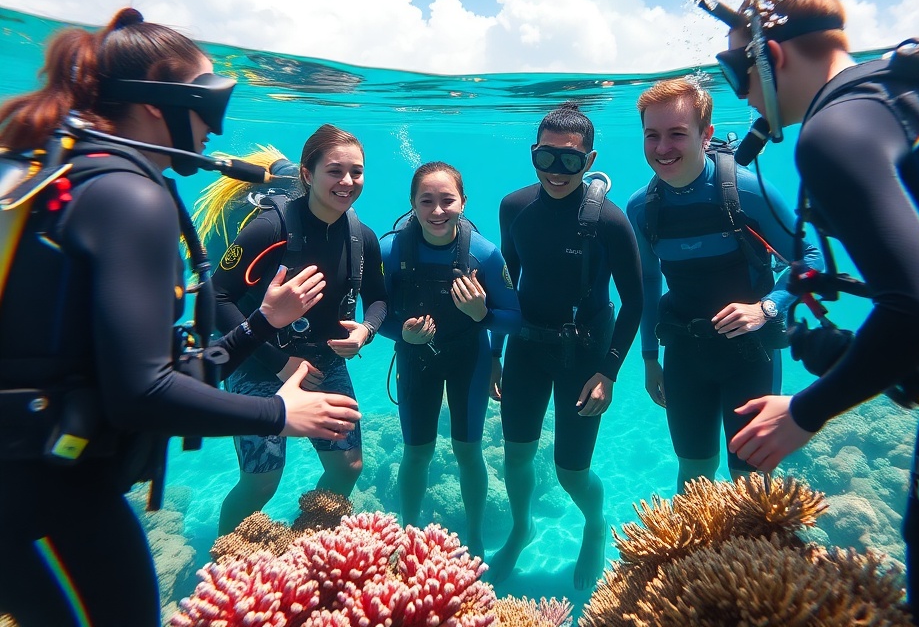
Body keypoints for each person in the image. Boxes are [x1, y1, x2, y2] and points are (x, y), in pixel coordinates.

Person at [0, 8, 361, 627]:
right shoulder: (128, 195)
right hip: (42, 487)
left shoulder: (74, 171)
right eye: (209, 102)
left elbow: (147, 370)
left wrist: (260, 325)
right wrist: (280, 412)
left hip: (40, 478)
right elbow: (141, 394)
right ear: (156, 101)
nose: (214, 131)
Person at [715, 0, 919, 627]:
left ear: (769, 57)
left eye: (737, 75)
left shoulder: (833, 131)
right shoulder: (902, 92)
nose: (745, 100)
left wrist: (805, 411)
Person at [625, 76, 821, 492]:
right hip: (684, 357)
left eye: (677, 134)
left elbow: (811, 258)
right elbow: (647, 281)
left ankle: (758, 557)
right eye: (652, 135)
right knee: (693, 478)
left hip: (750, 357)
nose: (663, 148)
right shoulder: (642, 208)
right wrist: (648, 358)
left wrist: (767, 307)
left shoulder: (748, 192)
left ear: (706, 134)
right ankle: (694, 558)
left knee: (751, 479)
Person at [488, 102, 643, 590]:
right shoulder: (513, 207)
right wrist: (494, 352)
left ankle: (595, 527)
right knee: (516, 453)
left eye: (571, 161)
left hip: (585, 356)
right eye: (545, 158)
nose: (556, 171)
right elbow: (506, 286)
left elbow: (636, 302)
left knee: (572, 471)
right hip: (526, 350)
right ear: (532, 154)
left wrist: (610, 372)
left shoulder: (612, 222)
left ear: (589, 159)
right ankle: (521, 527)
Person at [209, 124, 387, 534]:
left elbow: (379, 299)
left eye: (356, 172)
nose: (347, 182)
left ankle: (309, 543)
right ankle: (223, 567)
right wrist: (278, 363)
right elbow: (216, 298)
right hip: (257, 361)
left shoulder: (362, 237)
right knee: (261, 482)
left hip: (323, 362)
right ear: (307, 174)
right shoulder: (268, 230)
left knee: (348, 467)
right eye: (335, 171)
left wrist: (366, 331)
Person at [378, 161, 520, 556]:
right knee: (416, 452)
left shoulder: (484, 254)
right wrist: (399, 332)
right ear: (411, 203)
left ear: (464, 202)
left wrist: (484, 316)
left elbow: (514, 317)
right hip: (414, 361)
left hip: (467, 362)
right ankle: (407, 537)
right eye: (427, 201)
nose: (437, 211)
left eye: (447, 201)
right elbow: (372, 313)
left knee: (468, 450)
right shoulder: (390, 251)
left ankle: (474, 538)